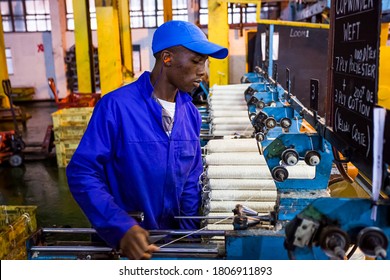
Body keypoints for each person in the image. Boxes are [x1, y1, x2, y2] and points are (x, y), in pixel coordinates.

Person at [66, 20, 228, 260]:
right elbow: (82, 173)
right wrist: (121, 228)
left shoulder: (190, 113)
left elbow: (191, 183)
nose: (203, 72)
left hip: (171, 244)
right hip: (122, 246)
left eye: (205, 62)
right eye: (196, 61)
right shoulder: (116, 107)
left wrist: (189, 242)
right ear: (167, 58)